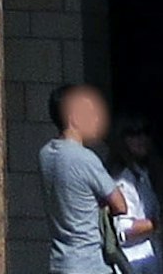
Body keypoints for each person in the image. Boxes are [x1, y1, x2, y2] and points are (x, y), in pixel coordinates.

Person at [38, 84, 125, 274]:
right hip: (90, 263)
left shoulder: (45, 154)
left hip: (60, 261)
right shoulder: (85, 158)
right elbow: (120, 205)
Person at [105, 121, 163, 274]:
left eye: (145, 131)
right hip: (132, 263)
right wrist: (162, 223)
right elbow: (123, 231)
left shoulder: (144, 174)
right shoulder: (121, 180)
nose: (141, 138)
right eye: (133, 133)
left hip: (150, 260)